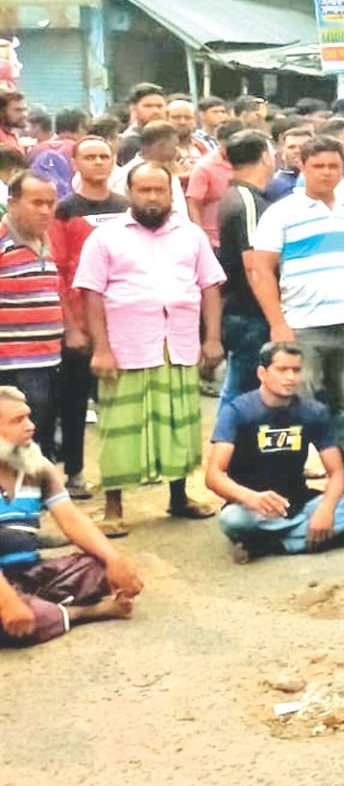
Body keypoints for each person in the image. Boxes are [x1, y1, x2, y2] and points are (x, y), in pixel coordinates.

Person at [73, 162, 223, 535]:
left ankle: (178, 496)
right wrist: (101, 348)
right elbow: (91, 293)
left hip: (179, 343)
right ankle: (113, 507)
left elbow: (210, 287)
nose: (153, 198)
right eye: (145, 191)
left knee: (179, 424)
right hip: (126, 347)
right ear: (130, 193)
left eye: (160, 191)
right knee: (121, 427)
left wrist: (213, 338)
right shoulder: (105, 237)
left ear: (171, 194)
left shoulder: (191, 235)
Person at [245, 137, 344, 451]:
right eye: (318, 166)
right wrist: (278, 322)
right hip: (302, 328)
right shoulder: (281, 213)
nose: (326, 173)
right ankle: (294, 478)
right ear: (303, 167)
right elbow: (260, 269)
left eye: (333, 166)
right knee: (299, 408)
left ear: (342, 168)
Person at [0, 386, 144, 647]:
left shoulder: (39, 468)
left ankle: (38, 608)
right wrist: (6, 600)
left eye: (29, 416)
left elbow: (71, 519)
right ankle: (83, 613)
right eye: (18, 420)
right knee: (19, 614)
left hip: (28, 573)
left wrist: (113, 559)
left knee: (98, 569)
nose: (31, 426)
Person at [208, 342, 344, 560]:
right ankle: (309, 536)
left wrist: (325, 510)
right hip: (255, 508)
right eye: (282, 370)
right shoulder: (237, 411)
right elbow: (214, 475)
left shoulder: (313, 412)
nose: (290, 377)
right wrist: (250, 497)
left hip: (300, 501)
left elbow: (337, 472)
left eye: (296, 370)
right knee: (232, 519)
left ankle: (272, 544)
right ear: (262, 373)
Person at [49, 136, 128, 497]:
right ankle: (75, 473)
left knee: (119, 401)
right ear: (76, 164)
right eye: (90, 157)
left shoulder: (127, 206)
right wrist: (71, 327)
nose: (98, 162)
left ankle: (123, 470)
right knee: (75, 402)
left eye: (104, 156)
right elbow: (59, 271)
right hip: (81, 323)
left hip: (122, 321)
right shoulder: (64, 209)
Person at [211, 130, 278, 407]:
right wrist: (276, 317)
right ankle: (226, 442)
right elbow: (254, 265)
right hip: (249, 312)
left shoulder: (238, 195)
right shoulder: (247, 201)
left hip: (245, 311)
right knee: (245, 389)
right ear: (265, 156)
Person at [0, 174, 65, 453]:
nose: (45, 210)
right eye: (36, 203)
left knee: (42, 441)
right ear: (12, 203)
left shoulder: (45, 240)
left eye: (50, 203)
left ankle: (37, 495)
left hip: (48, 361)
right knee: (15, 445)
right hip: (13, 366)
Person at [264, 124, 310, 202]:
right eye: (291, 147)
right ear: (283, 151)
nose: (297, 151)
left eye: (303, 147)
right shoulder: (272, 185)